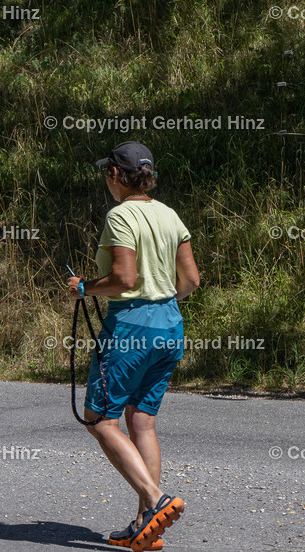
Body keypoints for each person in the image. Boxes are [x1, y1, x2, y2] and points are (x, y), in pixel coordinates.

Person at [67, 141, 200, 552]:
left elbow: (125, 279)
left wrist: (84, 288)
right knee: (141, 421)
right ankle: (146, 524)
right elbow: (192, 281)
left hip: (130, 329)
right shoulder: (169, 214)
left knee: (100, 421)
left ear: (114, 175)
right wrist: (160, 303)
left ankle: (156, 498)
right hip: (170, 325)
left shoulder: (121, 215)